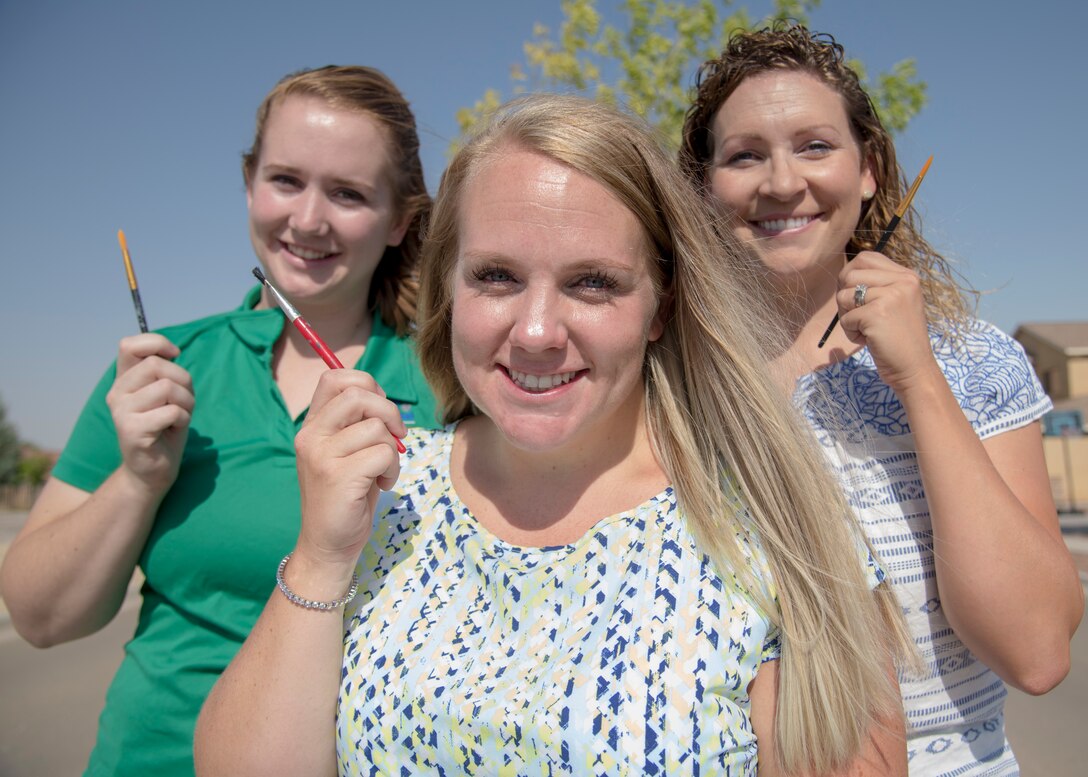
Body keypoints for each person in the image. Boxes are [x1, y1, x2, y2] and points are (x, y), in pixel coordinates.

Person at [195, 93, 912, 776]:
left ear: (659, 305)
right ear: (449, 289)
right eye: (497, 276)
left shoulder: (774, 528)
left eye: (594, 283)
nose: (536, 331)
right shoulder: (385, 492)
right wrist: (321, 556)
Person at [0, 65, 441, 777]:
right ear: (249, 182)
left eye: (349, 193)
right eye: (286, 180)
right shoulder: (164, 368)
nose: (307, 220)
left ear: (399, 221)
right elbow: (44, 618)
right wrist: (140, 479)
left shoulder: (454, 382)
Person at [678, 24, 1084, 775]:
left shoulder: (973, 359)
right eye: (743, 155)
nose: (779, 181)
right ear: (704, 187)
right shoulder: (668, 380)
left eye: (814, 145)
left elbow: (1035, 652)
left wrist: (920, 378)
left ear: (869, 170)